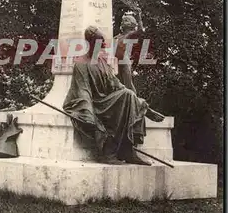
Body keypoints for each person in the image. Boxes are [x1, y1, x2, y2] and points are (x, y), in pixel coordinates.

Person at [63, 26, 164, 165]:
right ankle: (108, 153)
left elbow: (116, 84)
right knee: (122, 100)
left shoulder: (103, 62)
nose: (104, 44)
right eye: (100, 41)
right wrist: (88, 112)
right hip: (94, 102)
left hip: (106, 100)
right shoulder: (81, 63)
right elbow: (82, 91)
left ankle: (129, 150)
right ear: (91, 43)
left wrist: (145, 108)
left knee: (128, 94)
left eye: (104, 41)